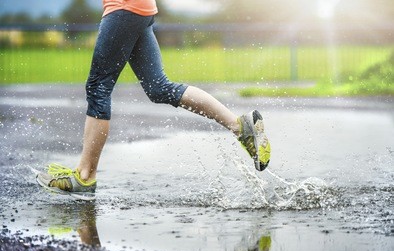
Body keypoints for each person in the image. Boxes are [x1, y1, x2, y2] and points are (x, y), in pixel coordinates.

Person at [36, 0, 271, 201]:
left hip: (124, 8)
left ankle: (84, 176)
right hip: (139, 9)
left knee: (99, 86)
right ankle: (240, 126)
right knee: (158, 87)